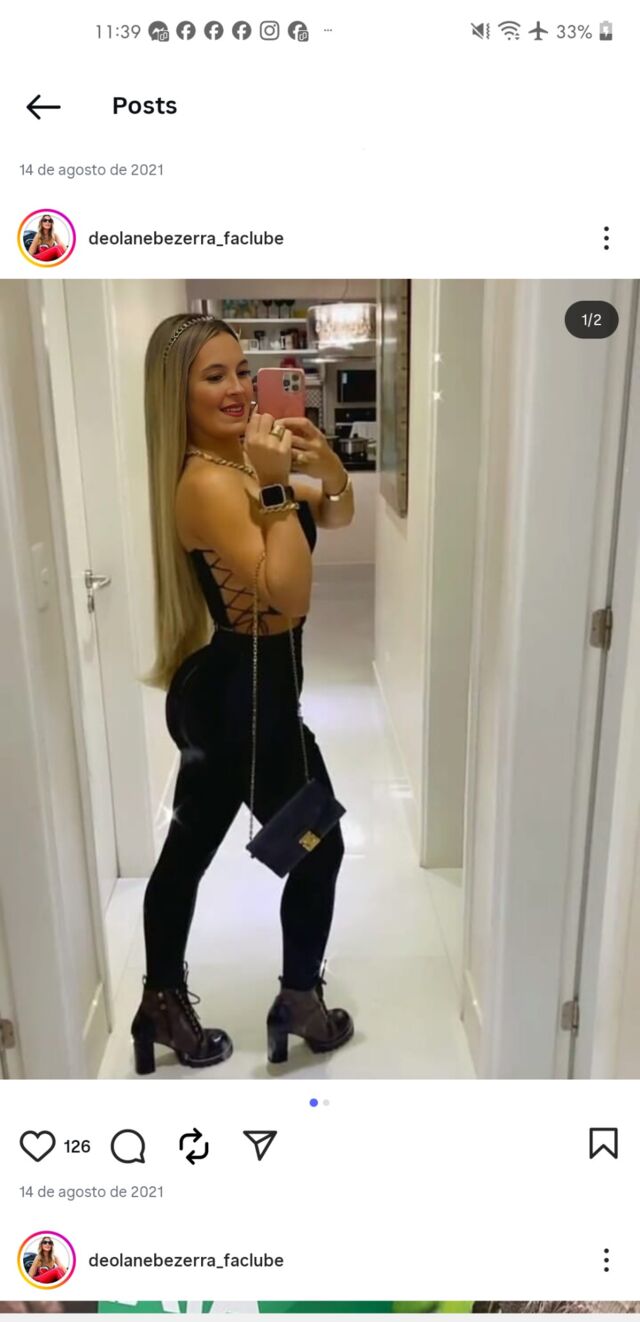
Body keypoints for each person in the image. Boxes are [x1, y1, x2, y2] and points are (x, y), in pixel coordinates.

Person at [131, 313, 356, 1074]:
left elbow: (334, 512)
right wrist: (275, 483)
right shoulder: (207, 482)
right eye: (213, 376)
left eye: (238, 370)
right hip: (244, 704)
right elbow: (287, 595)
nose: (235, 389)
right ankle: (296, 1000)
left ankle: (163, 1005)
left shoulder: (238, 462)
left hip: (244, 695)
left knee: (189, 851)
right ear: (178, 393)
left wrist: (326, 466)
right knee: (318, 848)